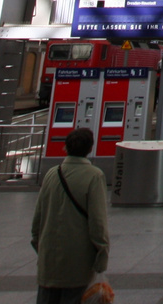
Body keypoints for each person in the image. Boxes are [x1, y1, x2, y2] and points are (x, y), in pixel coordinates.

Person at [31, 127, 109, 304]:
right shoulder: (94, 176)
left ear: (65, 147)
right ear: (90, 148)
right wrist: (102, 253)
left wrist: (40, 247)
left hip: (48, 262)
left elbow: (37, 219)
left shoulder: (51, 174)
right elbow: (97, 222)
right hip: (77, 261)